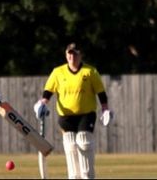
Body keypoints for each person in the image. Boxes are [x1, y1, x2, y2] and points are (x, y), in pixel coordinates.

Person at [34, 43, 111, 180]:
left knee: (84, 142)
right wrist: (42, 103)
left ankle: (87, 176)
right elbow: (48, 91)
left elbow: (101, 92)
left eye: (75, 54)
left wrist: (105, 109)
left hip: (86, 114)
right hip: (66, 116)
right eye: (69, 53)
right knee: (70, 146)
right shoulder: (58, 72)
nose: (72, 57)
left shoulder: (90, 71)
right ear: (66, 55)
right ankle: (74, 177)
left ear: (80, 55)